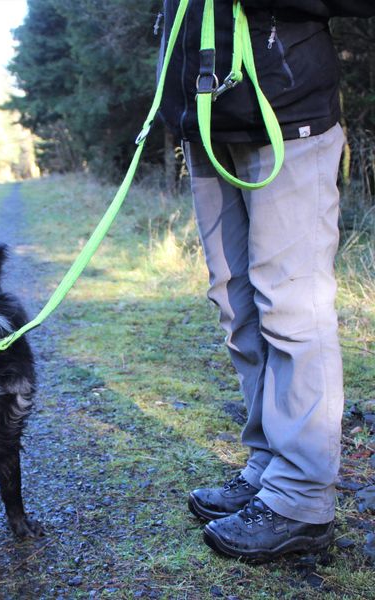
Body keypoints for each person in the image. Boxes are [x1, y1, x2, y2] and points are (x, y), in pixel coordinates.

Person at [157, 0, 375, 562]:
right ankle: (267, 465)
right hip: (204, 121)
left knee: (293, 309)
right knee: (238, 307)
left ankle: (302, 499)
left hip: (288, 114)